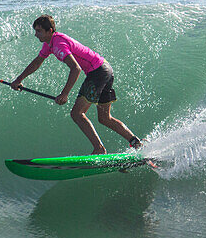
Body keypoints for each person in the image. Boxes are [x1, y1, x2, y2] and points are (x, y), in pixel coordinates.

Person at [10, 15, 143, 154]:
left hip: (98, 73)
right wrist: (19, 79)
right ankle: (136, 142)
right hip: (106, 69)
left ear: (49, 31)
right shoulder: (50, 43)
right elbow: (37, 62)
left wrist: (65, 94)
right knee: (104, 118)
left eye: (39, 31)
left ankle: (99, 149)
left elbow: (76, 68)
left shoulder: (58, 44)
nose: (36, 34)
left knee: (77, 114)